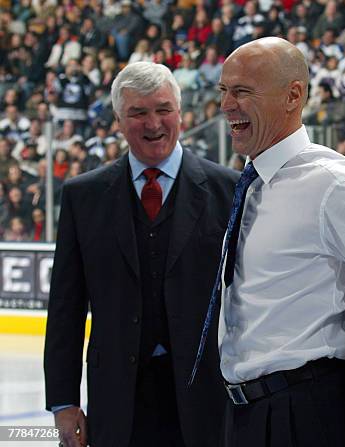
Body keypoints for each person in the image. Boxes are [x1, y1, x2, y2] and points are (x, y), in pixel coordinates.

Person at [190, 37, 345, 447]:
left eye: (242, 91)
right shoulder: (252, 181)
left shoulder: (331, 184)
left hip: (304, 414)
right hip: (245, 413)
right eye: (223, 91)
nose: (226, 104)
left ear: (293, 96)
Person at [44, 62, 239, 447]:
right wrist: (63, 402)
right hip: (116, 401)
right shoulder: (83, 197)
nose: (154, 123)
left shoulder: (229, 191)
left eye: (163, 109)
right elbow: (65, 307)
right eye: (138, 113)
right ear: (118, 120)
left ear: (180, 114)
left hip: (206, 400)